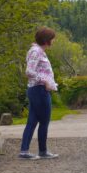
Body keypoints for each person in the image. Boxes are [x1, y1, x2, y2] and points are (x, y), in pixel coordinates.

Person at [19, 27, 59, 160]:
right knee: (44, 121)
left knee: (33, 121)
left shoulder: (38, 51)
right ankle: (42, 151)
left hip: (37, 90)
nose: (53, 41)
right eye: (52, 38)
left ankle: (25, 151)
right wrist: (45, 82)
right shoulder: (36, 52)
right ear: (47, 40)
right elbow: (29, 71)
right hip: (39, 90)